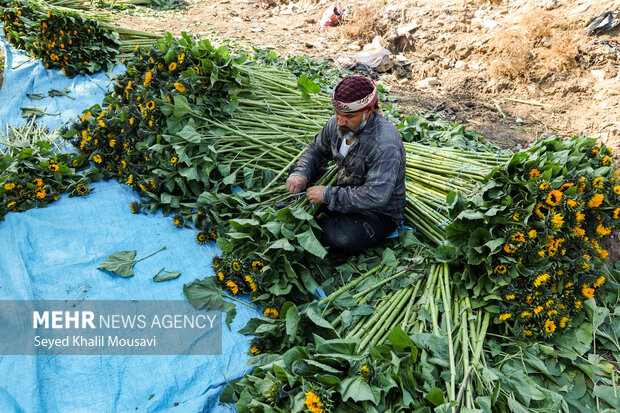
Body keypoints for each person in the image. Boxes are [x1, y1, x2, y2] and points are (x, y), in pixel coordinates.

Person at [286, 76, 406, 254]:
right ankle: (314, 214)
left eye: (349, 116)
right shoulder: (337, 124)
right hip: (343, 186)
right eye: (337, 113)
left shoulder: (385, 145)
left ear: (369, 110)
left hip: (375, 211)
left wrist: (327, 194)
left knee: (343, 238)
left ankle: (315, 220)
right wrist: (301, 173)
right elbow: (316, 150)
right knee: (296, 174)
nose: (340, 121)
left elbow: (375, 196)